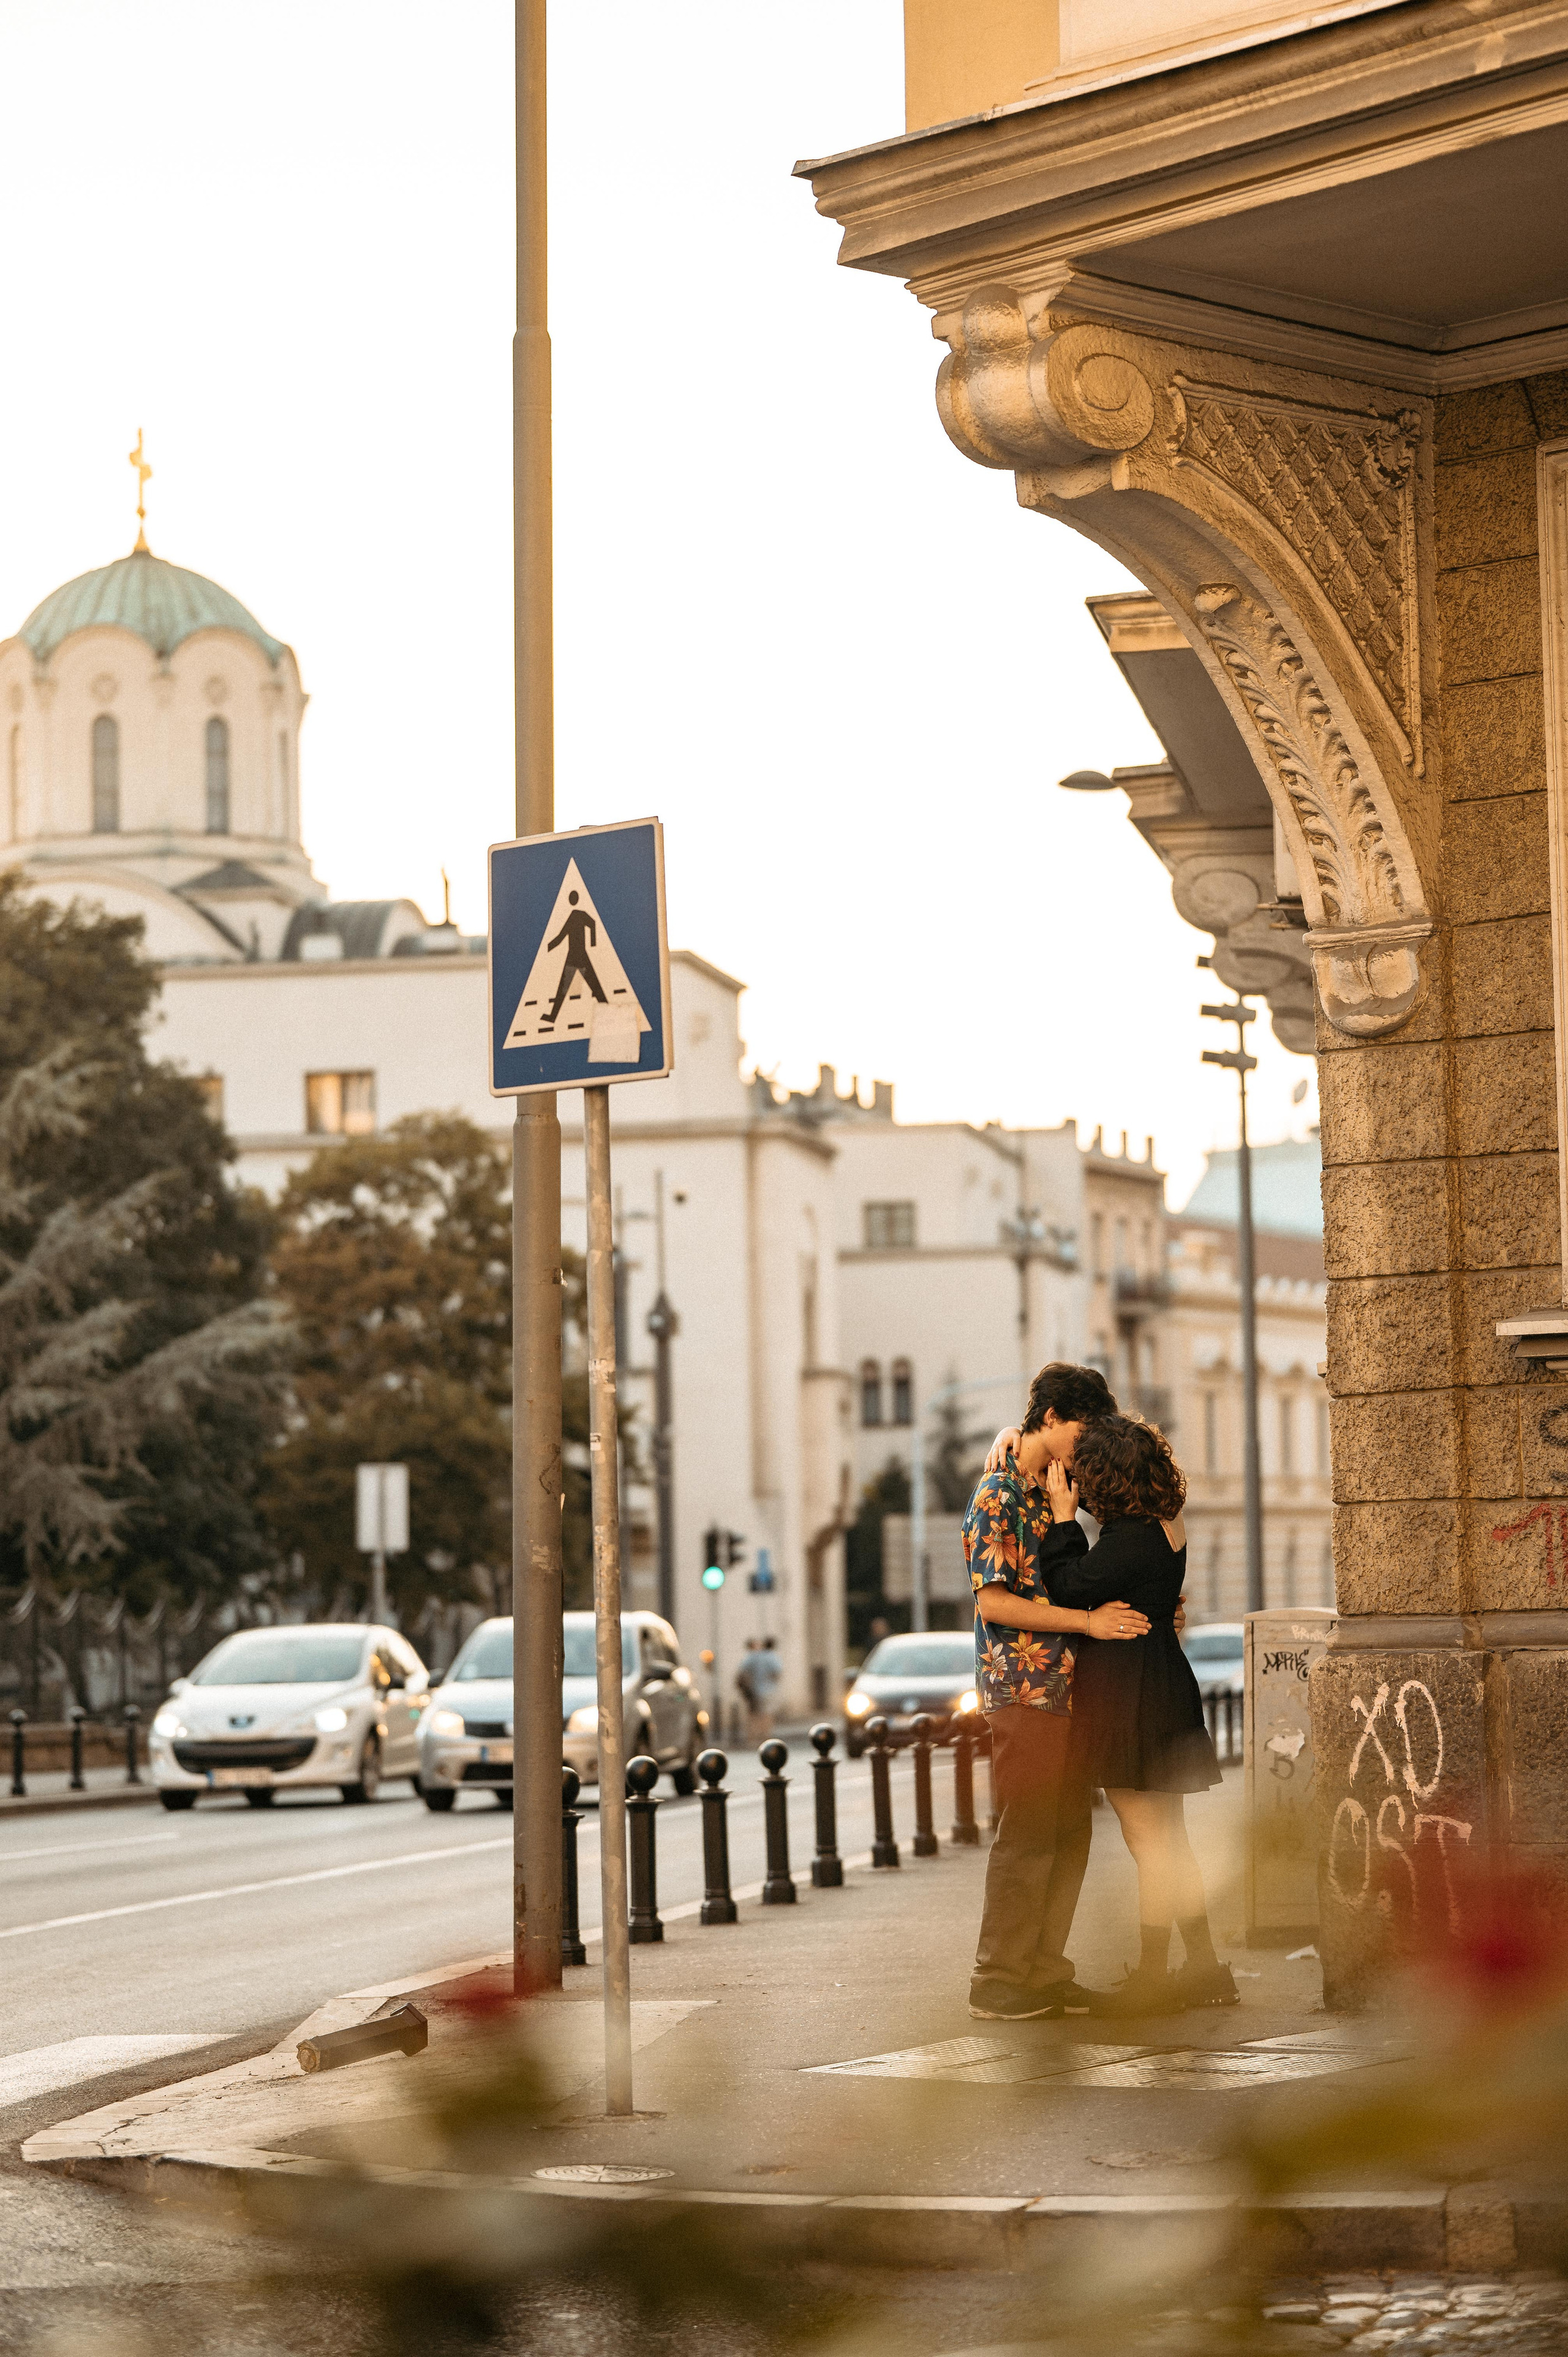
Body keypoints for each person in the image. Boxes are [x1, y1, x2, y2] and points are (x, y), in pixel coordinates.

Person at [964, 1362, 1152, 2022]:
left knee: (1069, 1832)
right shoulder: (996, 1496)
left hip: (1074, 1686)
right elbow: (994, 1601)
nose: (1089, 1443)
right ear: (1049, 1419)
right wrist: (1089, 1622)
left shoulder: (1055, 1485)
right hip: (1025, 1687)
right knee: (1027, 1835)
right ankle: (998, 1979)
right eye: (1082, 1428)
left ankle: (1043, 1972)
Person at [1035, 1413, 1234, 2017]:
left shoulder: (1127, 1541)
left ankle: (1154, 1977)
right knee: (1169, 1839)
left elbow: (1068, 1585)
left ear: (1106, 1478)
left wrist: (1064, 1519)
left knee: (1149, 1842)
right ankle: (1204, 1969)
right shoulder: (1166, 1525)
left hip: (1130, 1693)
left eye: (1087, 1474)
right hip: (1162, 1681)